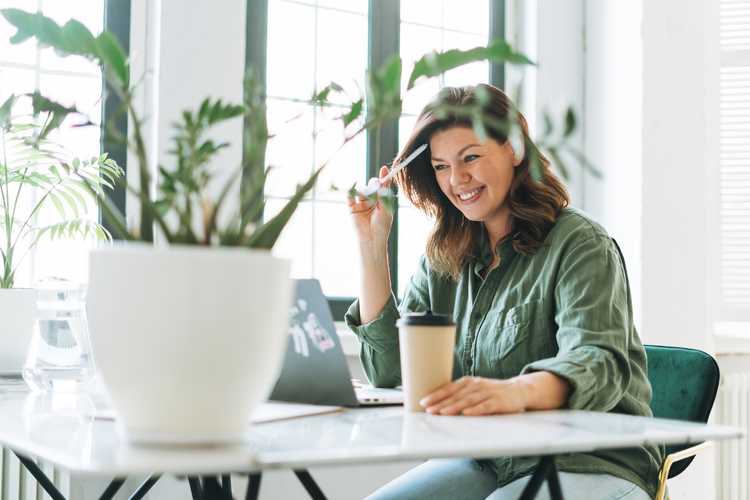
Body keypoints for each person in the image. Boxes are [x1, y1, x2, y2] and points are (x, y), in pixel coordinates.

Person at [344, 84, 662, 500]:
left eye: (470, 158)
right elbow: (393, 373)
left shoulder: (580, 244)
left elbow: (599, 365)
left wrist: (513, 392)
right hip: (488, 459)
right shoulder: (445, 255)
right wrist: (372, 247)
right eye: (441, 166)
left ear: (513, 146)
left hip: (590, 459)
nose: (457, 180)